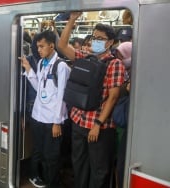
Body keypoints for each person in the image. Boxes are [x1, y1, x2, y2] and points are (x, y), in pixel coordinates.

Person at [57, 12, 125, 188]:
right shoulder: (86, 57)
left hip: (99, 127)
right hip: (79, 120)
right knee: (79, 164)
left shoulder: (114, 64)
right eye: (94, 37)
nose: (95, 41)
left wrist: (97, 123)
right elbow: (62, 45)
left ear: (110, 42)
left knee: (99, 170)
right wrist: (72, 20)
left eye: (100, 38)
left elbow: (113, 97)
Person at [20, 30, 71, 188]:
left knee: (52, 156)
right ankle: (36, 176)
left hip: (51, 121)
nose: (39, 50)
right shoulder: (42, 63)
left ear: (52, 45)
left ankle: (53, 183)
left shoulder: (61, 66)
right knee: (38, 151)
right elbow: (38, 87)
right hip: (38, 116)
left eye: (42, 46)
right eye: (37, 46)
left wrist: (56, 122)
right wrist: (28, 69)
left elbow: (62, 96)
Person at [115, 41, 132, 188]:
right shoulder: (127, 74)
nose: (119, 59)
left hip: (127, 123)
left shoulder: (135, 74)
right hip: (122, 124)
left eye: (122, 56)